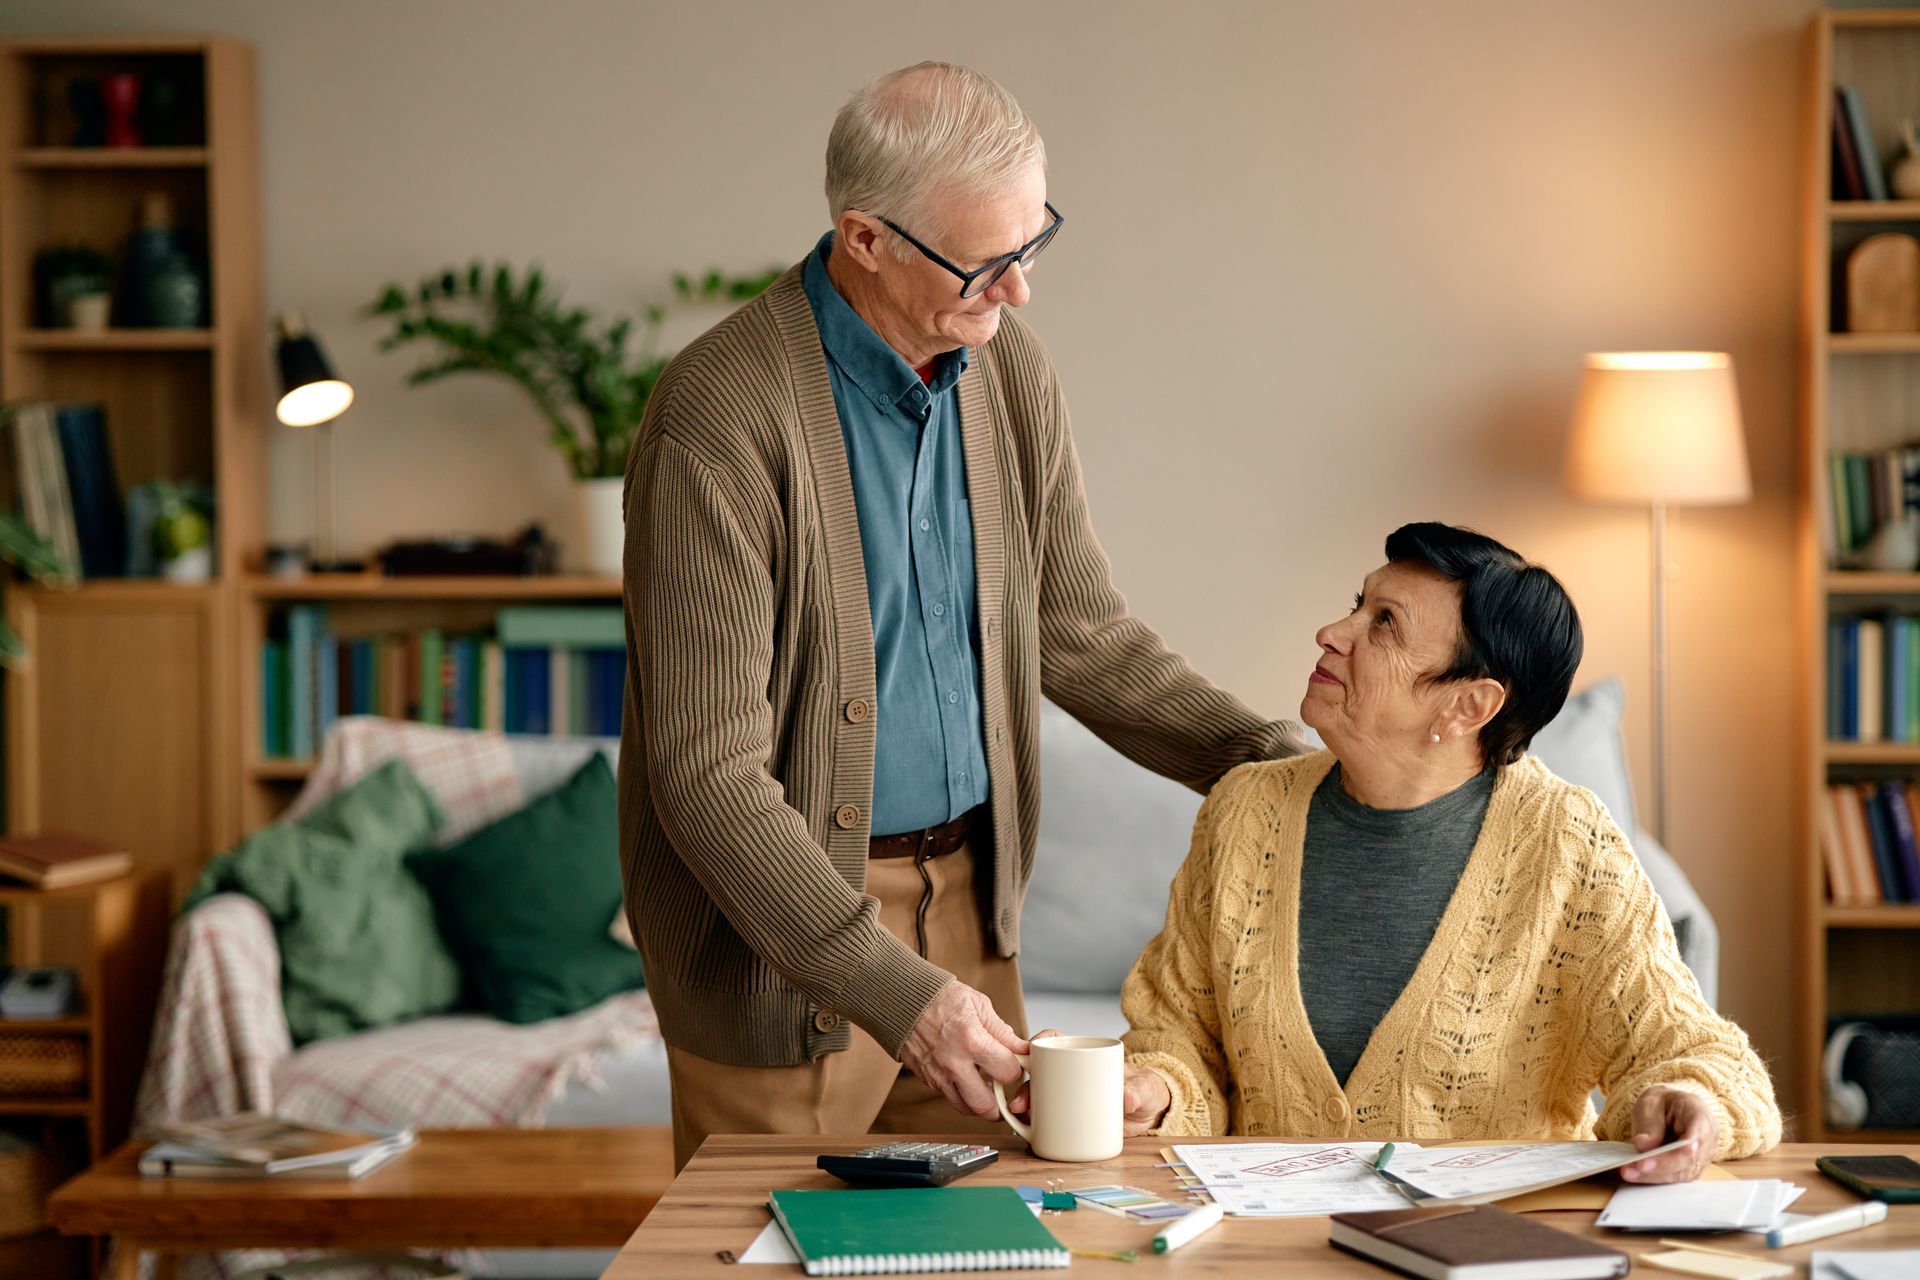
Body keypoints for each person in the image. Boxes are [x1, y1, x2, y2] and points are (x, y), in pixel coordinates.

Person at [620, 61, 1307, 1171]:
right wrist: (898, 991)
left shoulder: (1007, 371)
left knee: (985, 1247)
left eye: (1032, 245)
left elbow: (1084, 637)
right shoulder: (720, 415)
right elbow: (705, 773)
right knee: (765, 1251)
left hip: (972, 917)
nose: (1019, 289)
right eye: (986, 261)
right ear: (866, 237)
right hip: (778, 946)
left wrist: (1273, 761)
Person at [1119, 523, 1781, 1182]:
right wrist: (1154, 1093)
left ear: (1468, 705)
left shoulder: (1567, 844)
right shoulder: (1244, 813)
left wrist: (1690, 1102)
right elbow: (1181, 1040)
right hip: (1263, 1246)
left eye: (1383, 623)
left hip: (1487, 1248)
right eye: (1359, 603)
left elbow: (1698, 1056)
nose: (1333, 631)